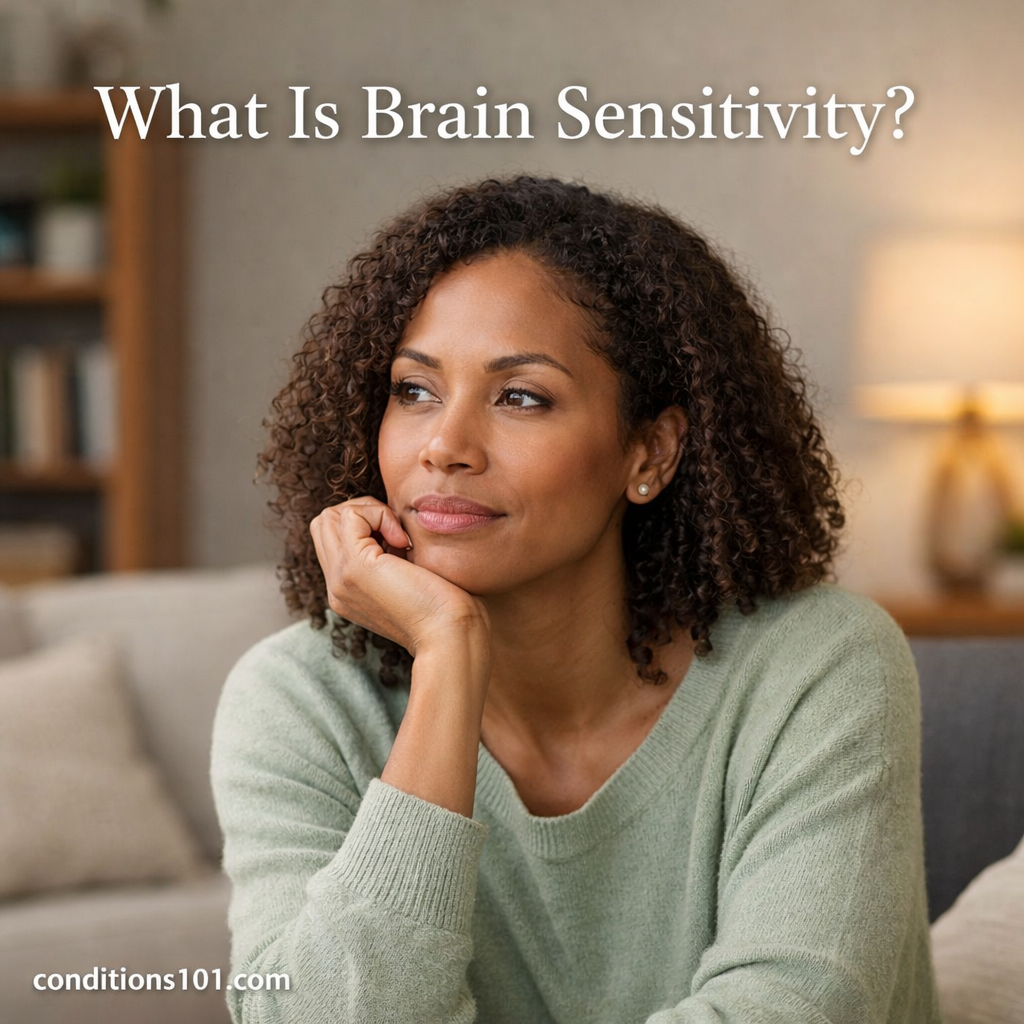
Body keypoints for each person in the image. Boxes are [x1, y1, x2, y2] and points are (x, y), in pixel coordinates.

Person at [210, 174, 943, 1023]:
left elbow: (789, 1008)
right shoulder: (296, 697)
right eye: (413, 390)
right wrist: (448, 660)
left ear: (650, 453)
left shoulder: (819, 665)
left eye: (522, 397)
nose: (444, 446)